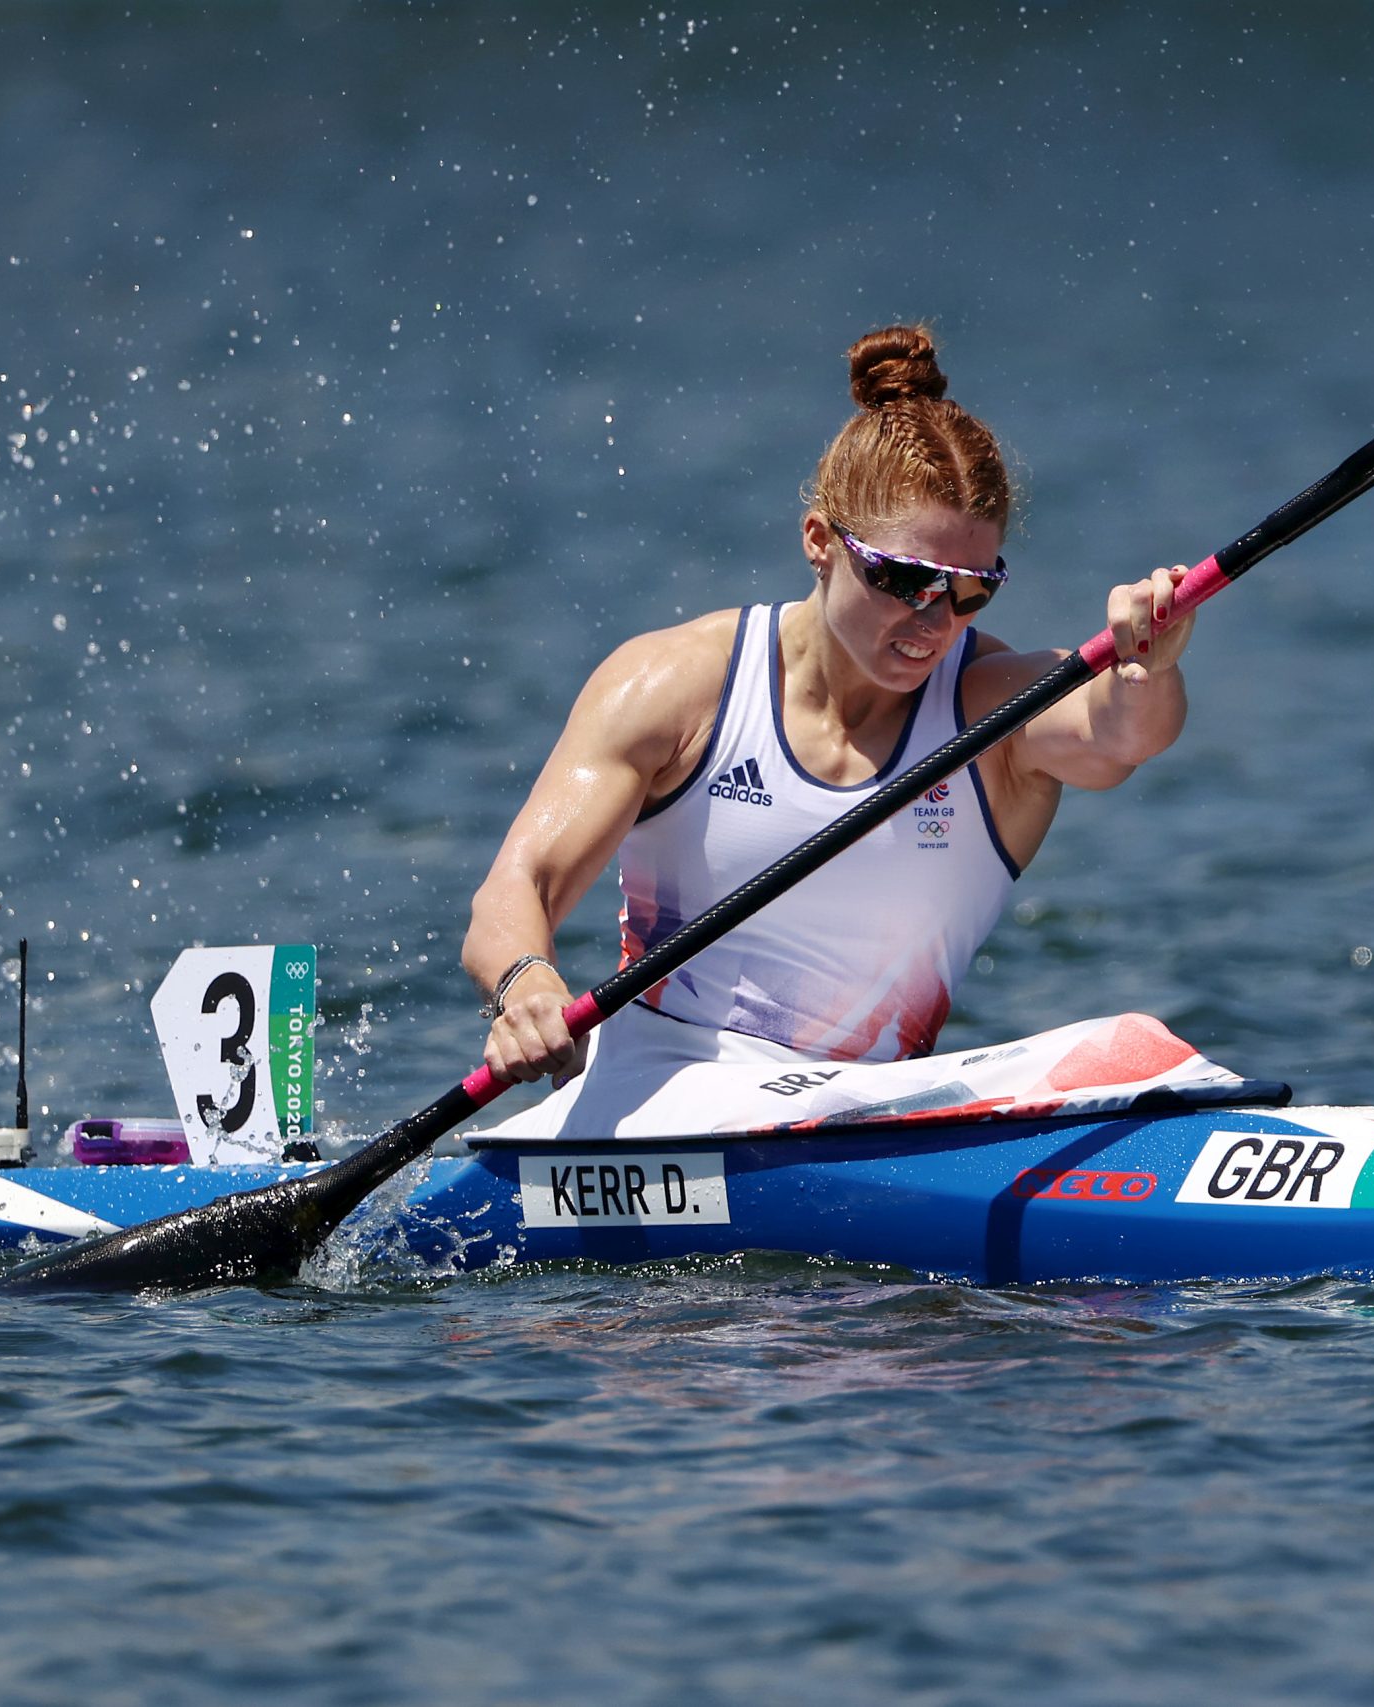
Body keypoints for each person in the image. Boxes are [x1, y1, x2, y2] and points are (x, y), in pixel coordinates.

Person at [460, 324, 1198, 1136]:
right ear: (820, 542)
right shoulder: (678, 685)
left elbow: (1122, 733)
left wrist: (1146, 665)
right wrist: (528, 984)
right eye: (907, 578)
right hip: (656, 1096)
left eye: (970, 591)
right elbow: (514, 890)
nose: (934, 618)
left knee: (1134, 1045)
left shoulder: (996, 709)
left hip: (860, 1114)